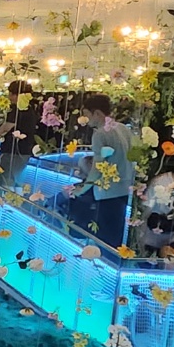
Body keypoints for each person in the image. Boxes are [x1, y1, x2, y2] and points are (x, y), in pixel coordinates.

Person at [69, 93, 135, 248]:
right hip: (125, 189)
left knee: (105, 239)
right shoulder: (123, 128)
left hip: (107, 191)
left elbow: (97, 169)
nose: (86, 119)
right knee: (117, 236)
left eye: (87, 115)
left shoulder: (100, 134)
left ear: (97, 113)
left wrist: (82, 189)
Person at [0, 80, 37, 189]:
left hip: (11, 152)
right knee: (14, 182)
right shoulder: (31, 110)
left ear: (17, 95)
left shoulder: (16, 109)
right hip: (25, 152)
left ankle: (2, 199)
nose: (9, 97)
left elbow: (6, 127)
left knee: (3, 183)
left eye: (11, 94)